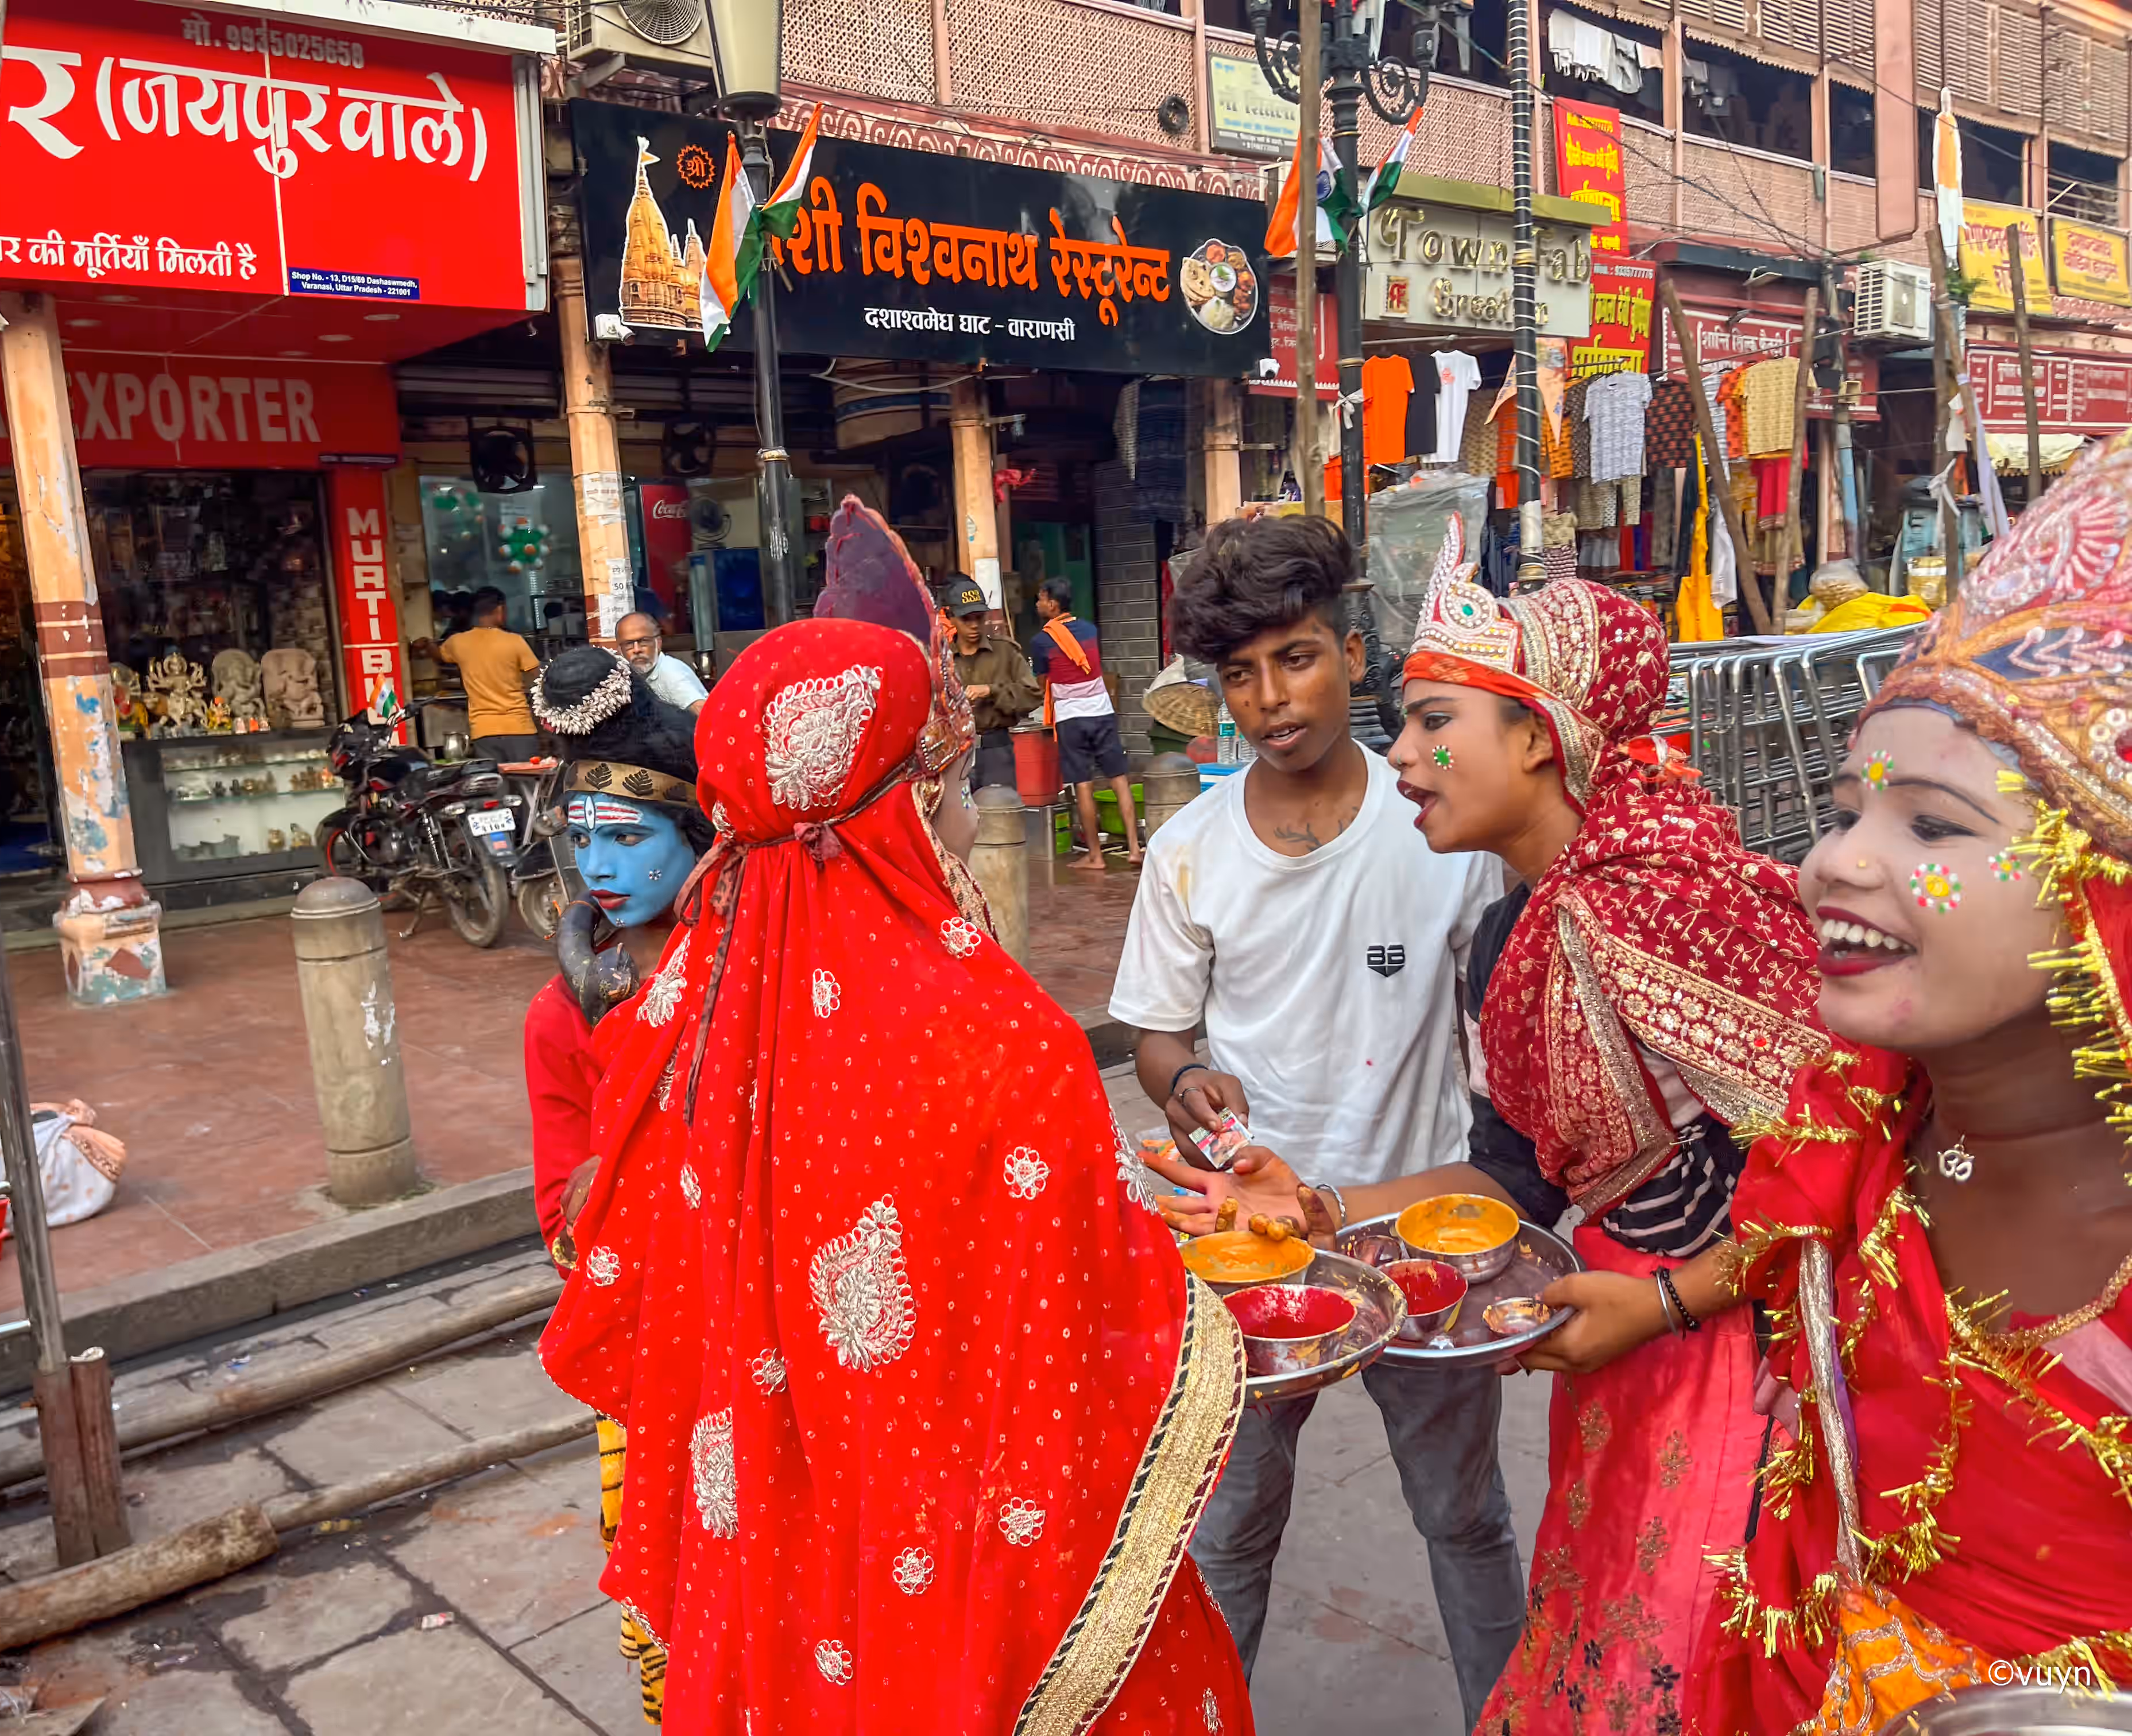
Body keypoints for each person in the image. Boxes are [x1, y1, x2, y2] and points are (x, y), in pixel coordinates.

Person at [537, 496, 1253, 1735]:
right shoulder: (995, 1032)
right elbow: (1081, 1327)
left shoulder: (682, 1020)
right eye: (957, 775)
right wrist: (1202, 1252)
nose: (975, 807)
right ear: (909, 803)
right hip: (971, 1547)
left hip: (778, 1539)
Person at [1206, 525, 1830, 1735]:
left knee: (1706, 1673)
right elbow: (1512, 1179)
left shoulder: (1664, 907)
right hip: (1625, 1343)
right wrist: (1323, 1212)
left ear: (1539, 738)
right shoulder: (1514, 936)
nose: (1404, 754)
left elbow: (1841, 1163)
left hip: (1759, 1366)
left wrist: (1668, 1302)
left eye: (1437, 722)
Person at [1691, 436, 2132, 1731]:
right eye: (1845, 811)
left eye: (1932, 828)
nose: (1835, 865)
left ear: (2102, 886)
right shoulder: (1864, 1144)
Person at [1120, 513, 1520, 1729]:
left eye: (1293, 658)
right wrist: (1186, 1091)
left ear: (1354, 653)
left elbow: (1500, 1020)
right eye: (1238, 675)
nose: (1268, 698)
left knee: (1465, 1517)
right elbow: (1157, 1038)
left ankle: (1507, 1713)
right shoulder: (1190, 851)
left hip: (1421, 1233)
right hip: (1255, 1250)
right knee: (1230, 1533)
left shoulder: (1442, 831)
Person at [521, 644, 713, 1724]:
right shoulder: (565, 1013)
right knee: (658, 1591)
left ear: (695, 837)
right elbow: (562, 1209)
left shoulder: (750, 975)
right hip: (635, 1332)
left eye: (630, 835)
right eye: (583, 838)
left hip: (742, 1322)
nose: (601, 862)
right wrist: (610, 1193)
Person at [1032, 576, 1143, 870]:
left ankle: (1095, 856)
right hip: (1102, 712)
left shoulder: (1042, 641)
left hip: (1071, 719)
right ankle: (1134, 848)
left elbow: (1043, 680)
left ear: (1053, 604)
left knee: (1084, 785)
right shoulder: (1091, 630)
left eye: (1041, 599)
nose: (1038, 604)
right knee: (1120, 780)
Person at [410, 587, 541, 760]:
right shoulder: (515, 642)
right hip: (519, 727)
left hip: (483, 731)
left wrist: (427, 644)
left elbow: (437, 655)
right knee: (529, 783)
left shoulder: (458, 642)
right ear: (500, 610)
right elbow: (539, 678)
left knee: (495, 782)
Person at [940, 574, 1039, 793]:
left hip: (996, 749)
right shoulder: (941, 659)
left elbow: (1033, 694)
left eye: (979, 617)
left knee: (1001, 818)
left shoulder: (1005, 652)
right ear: (950, 616)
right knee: (957, 821)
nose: (975, 625)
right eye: (967, 619)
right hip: (955, 753)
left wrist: (992, 691)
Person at [614, 610, 709, 714]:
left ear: (658, 644)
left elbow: (704, 713)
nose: (637, 650)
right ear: (620, 650)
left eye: (644, 641)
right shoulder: (625, 675)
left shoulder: (671, 673)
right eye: (629, 644)